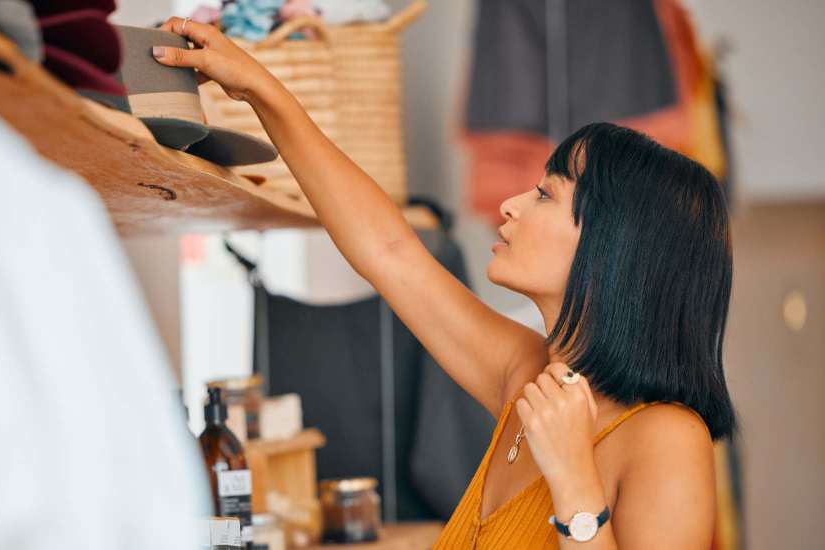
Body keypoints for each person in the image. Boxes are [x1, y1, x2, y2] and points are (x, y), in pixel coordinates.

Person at [152, 16, 737, 549]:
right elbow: (390, 252)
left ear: (611, 248)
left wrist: (574, 482)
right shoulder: (526, 376)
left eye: (544, 194)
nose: (509, 204)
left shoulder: (667, 439)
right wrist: (260, 89)